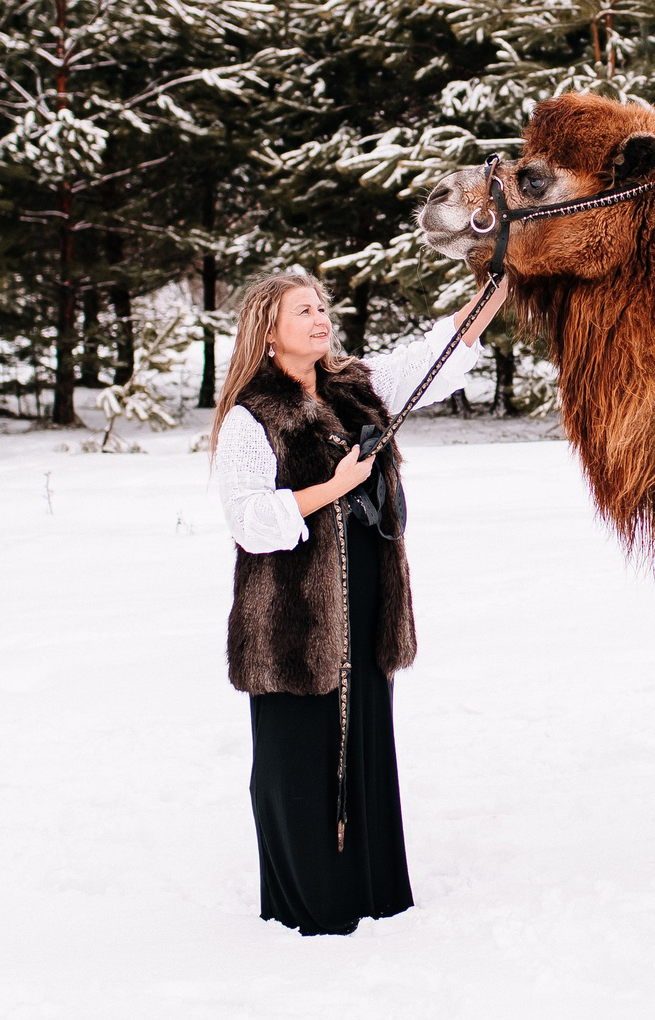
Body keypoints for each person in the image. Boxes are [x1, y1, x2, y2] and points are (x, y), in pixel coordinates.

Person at [210, 269, 507, 935]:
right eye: (302, 311)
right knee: (298, 756)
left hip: (367, 598)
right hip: (292, 619)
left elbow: (435, 352)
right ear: (269, 331)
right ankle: (312, 904)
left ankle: (373, 891)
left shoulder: (356, 388)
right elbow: (250, 521)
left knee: (363, 741)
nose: (320, 318)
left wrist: (502, 279)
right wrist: (334, 487)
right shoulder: (251, 417)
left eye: (322, 307)